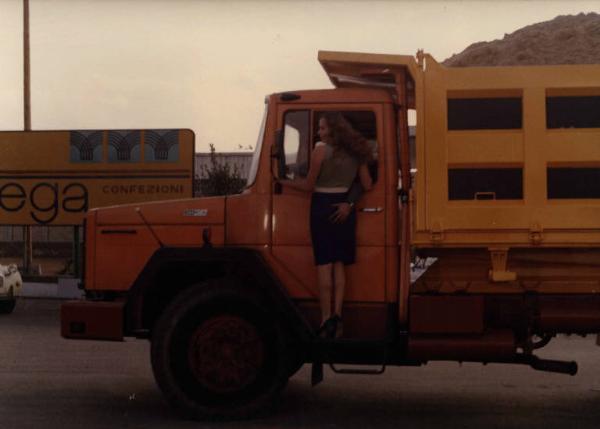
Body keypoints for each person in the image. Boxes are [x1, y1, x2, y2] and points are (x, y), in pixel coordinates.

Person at [279, 112, 373, 338]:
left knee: (324, 264)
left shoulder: (320, 150)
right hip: (344, 207)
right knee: (340, 264)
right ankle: (338, 316)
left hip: (321, 206)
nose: (318, 133)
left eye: (321, 128)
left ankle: (325, 318)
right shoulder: (356, 152)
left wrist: (282, 181)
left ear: (331, 130)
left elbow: (309, 185)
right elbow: (367, 184)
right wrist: (349, 202)